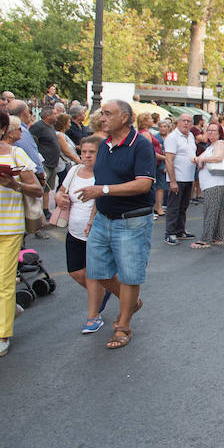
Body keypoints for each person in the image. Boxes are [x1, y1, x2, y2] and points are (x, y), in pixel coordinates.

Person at [78, 100, 155, 349]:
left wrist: (104, 190)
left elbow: (144, 183)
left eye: (108, 114)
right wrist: (93, 215)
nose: (102, 118)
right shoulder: (104, 146)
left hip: (132, 220)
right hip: (103, 218)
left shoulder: (140, 145)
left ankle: (123, 327)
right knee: (97, 271)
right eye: (102, 114)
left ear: (124, 118)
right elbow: (98, 185)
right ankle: (129, 301)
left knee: (130, 275)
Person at [0, 106, 44, 358]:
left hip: (7, 229)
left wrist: (14, 184)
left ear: (3, 129)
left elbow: (37, 190)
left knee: (2, 283)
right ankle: (10, 308)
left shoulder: (16, 154)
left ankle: (2, 334)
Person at [55, 136, 111, 334]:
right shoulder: (74, 170)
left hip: (94, 231)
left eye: (92, 152)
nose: (87, 156)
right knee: (76, 272)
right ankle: (105, 291)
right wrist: (59, 198)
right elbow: (61, 190)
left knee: (92, 275)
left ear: (100, 153)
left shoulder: (104, 173)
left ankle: (93, 317)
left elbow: (101, 199)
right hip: (73, 231)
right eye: (84, 152)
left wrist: (92, 221)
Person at [190, 123, 224, 249]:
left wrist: (202, 160)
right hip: (210, 183)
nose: (211, 132)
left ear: (219, 133)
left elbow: (218, 157)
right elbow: (198, 159)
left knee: (210, 210)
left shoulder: (220, 144)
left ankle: (206, 239)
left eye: (214, 130)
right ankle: (217, 236)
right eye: (209, 130)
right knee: (217, 210)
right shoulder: (210, 146)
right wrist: (198, 160)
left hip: (215, 182)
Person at [163, 114, 197, 245]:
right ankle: (169, 233)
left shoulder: (191, 136)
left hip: (188, 178)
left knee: (183, 206)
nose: (186, 123)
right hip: (177, 178)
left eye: (189, 121)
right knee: (173, 207)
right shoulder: (173, 138)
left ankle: (180, 230)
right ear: (178, 122)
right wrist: (172, 181)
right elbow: (169, 160)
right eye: (184, 121)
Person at [29, 105, 61, 219]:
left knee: (48, 189)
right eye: (54, 114)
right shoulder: (37, 127)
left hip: (52, 164)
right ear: (48, 116)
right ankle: (35, 215)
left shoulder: (51, 127)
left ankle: (46, 210)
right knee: (40, 188)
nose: (57, 116)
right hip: (44, 164)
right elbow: (31, 143)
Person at [54, 113, 81, 188]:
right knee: (64, 185)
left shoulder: (63, 135)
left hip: (67, 164)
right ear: (63, 123)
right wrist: (78, 161)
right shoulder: (59, 135)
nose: (70, 124)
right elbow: (67, 152)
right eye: (68, 122)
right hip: (64, 165)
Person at [152, 120, 171, 217]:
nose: (163, 128)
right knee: (160, 187)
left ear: (168, 128)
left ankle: (160, 206)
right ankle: (158, 207)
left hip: (168, 164)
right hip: (158, 164)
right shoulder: (156, 138)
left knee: (164, 187)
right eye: (161, 126)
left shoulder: (171, 138)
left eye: (165, 126)